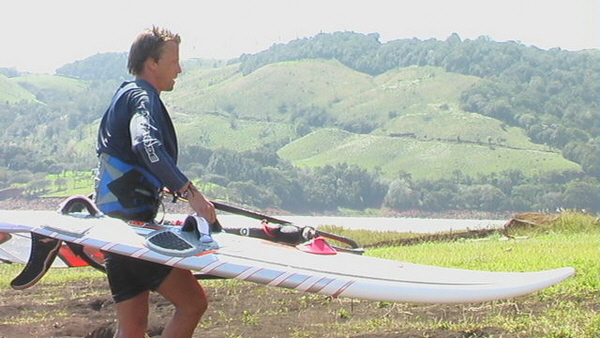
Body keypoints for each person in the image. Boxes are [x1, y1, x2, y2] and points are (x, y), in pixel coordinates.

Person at [94, 26, 215, 338]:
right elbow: (146, 145)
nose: (179, 69)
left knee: (132, 328)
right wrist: (190, 192)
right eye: (173, 60)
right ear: (152, 63)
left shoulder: (125, 94)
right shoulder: (142, 97)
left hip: (113, 228)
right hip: (133, 231)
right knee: (192, 303)